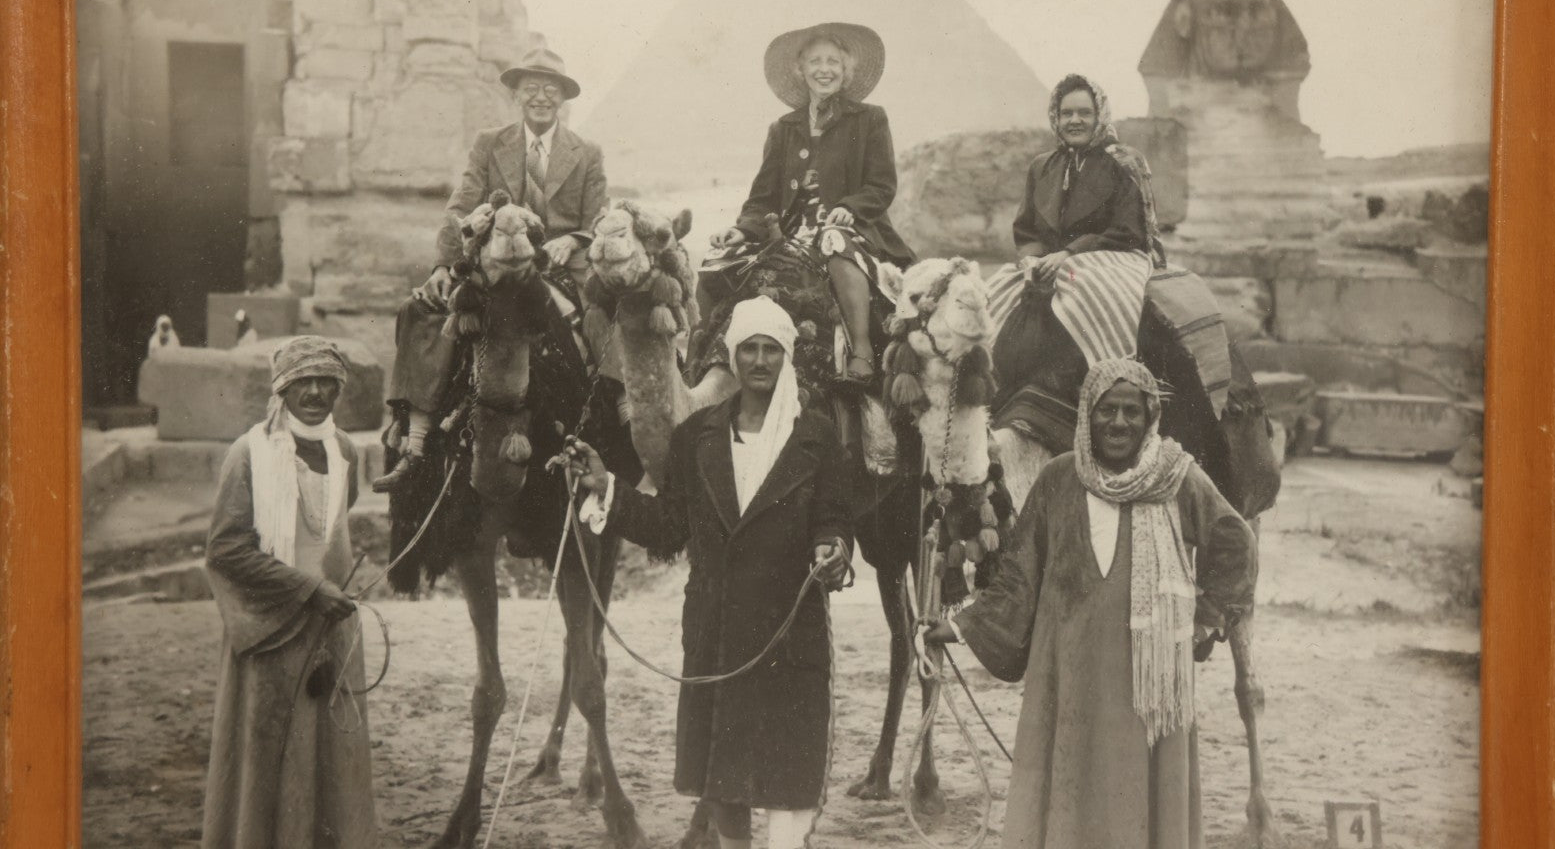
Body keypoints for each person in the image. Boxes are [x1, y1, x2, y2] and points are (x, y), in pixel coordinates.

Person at [921, 358, 1256, 849]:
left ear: (1149, 419)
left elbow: (1236, 543)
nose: (1118, 423)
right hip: (1067, 674)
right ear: (1086, 416)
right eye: (1106, 411)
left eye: (1131, 412)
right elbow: (1017, 579)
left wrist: (1204, 622)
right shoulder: (1059, 480)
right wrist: (956, 628)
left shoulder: (1179, 479)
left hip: (1149, 681)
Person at [564, 297, 854, 849]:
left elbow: (833, 519)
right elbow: (669, 525)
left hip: (788, 631)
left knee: (788, 776)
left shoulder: (816, 437)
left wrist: (833, 550)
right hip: (715, 633)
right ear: (732, 355)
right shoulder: (696, 436)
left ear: (787, 357)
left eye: (772, 349)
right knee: (722, 781)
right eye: (750, 349)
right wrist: (607, 489)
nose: (761, 360)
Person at [374, 47, 608, 492]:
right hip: (492, 268)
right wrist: (445, 263)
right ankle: (417, 436)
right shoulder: (490, 143)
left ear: (563, 98)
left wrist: (573, 239)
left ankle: (609, 432)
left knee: (597, 327)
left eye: (551, 89)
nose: (541, 97)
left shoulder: (586, 153)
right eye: (531, 88)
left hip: (555, 270)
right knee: (420, 311)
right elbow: (460, 204)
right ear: (516, 95)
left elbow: (598, 216)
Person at [201, 336, 378, 848]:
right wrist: (306, 589)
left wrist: (329, 594)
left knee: (329, 760)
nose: (317, 391)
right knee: (268, 759)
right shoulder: (248, 453)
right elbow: (225, 551)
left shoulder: (344, 449)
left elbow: (334, 526)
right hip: (273, 631)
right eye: (305, 380)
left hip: (332, 631)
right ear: (283, 387)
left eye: (328, 382)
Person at [704, 23, 914, 385]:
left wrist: (851, 206)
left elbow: (882, 184)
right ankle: (700, 357)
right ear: (800, 70)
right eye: (815, 61)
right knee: (714, 266)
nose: (824, 69)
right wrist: (741, 230)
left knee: (835, 240)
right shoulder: (783, 128)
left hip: (852, 229)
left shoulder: (870, 119)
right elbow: (762, 198)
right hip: (788, 235)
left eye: (833, 61)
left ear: (846, 70)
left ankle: (862, 350)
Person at [985, 73, 1161, 372]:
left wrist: (1070, 253)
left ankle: (1110, 372)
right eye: (1066, 113)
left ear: (1099, 116)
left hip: (1110, 258)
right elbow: (1025, 228)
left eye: (1084, 113)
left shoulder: (1125, 162)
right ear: (1056, 117)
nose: (1074, 121)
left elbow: (1129, 230)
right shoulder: (1042, 166)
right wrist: (1033, 259)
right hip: (1048, 262)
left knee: (1088, 294)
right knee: (995, 295)